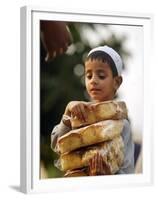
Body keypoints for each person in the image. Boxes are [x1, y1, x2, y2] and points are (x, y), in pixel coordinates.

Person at [50, 45, 134, 175]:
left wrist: (105, 175)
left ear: (116, 82)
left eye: (101, 76)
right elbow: (57, 145)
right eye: (88, 76)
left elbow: (128, 172)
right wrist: (68, 112)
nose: (93, 81)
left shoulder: (122, 125)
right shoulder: (79, 113)